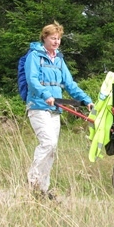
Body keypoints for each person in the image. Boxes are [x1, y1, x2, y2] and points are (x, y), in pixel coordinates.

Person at [24, 21, 94, 199]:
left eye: (58, 39)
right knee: (47, 143)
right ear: (45, 38)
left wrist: (86, 100)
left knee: (53, 148)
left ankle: (42, 189)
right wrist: (45, 94)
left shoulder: (59, 59)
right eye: (52, 38)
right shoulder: (35, 56)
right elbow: (32, 80)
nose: (56, 42)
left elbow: (69, 84)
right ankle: (32, 182)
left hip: (56, 108)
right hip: (38, 106)